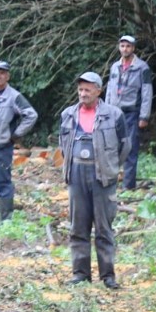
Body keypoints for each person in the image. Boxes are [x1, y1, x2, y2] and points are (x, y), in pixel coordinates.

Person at [59, 71, 128, 289]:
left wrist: (110, 167)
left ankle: (108, 276)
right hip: (76, 175)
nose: (83, 93)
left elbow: (124, 146)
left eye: (88, 89)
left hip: (102, 177)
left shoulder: (114, 115)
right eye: (80, 89)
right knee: (78, 227)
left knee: (104, 228)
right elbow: (63, 144)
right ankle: (80, 274)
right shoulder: (68, 115)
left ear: (99, 90)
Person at [0, 60, 38, 222]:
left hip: (2, 146)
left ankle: (6, 219)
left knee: (3, 182)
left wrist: (16, 135)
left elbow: (31, 114)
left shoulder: (14, 96)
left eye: (2, 73)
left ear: (8, 76)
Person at [105, 34, 153, 190]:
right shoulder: (114, 66)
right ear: (119, 47)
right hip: (114, 113)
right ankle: (110, 183)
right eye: (122, 46)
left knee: (130, 149)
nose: (125, 49)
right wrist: (104, 111)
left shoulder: (142, 67)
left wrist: (144, 116)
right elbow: (109, 90)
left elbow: (147, 92)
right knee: (111, 147)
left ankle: (128, 186)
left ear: (133, 48)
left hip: (132, 112)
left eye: (128, 46)